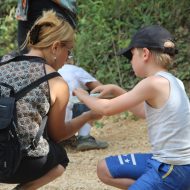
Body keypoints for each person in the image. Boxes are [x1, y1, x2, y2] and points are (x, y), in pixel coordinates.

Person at [74, 25, 190, 190]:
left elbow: (106, 108)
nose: (130, 61)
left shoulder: (153, 83)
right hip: (167, 162)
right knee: (104, 169)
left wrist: (82, 96)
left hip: (172, 168)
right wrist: (116, 89)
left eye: (132, 55)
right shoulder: (172, 81)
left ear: (145, 54)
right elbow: (143, 112)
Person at [0, 10, 101, 190]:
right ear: (55, 47)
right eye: (68, 52)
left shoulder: (4, 61)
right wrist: (88, 116)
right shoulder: (55, 81)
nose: (67, 59)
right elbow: (58, 135)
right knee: (59, 158)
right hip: (10, 162)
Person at [58, 58, 108, 151]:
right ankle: (84, 137)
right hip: (67, 117)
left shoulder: (46, 70)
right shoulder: (72, 69)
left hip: (51, 125)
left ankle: (63, 140)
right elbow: (101, 89)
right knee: (89, 96)